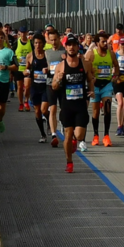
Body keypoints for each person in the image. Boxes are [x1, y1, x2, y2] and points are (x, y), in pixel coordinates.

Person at [51, 36, 93, 171]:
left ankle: (76, 140)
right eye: (69, 45)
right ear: (65, 47)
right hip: (67, 104)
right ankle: (69, 162)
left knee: (80, 135)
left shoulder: (85, 64)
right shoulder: (60, 66)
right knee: (67, 135)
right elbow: (53, 87)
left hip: (80, 104)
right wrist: (57, 80)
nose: (71, 47)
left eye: (74, 45)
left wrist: (91, 91)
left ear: (77, 46)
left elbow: (91, 79)